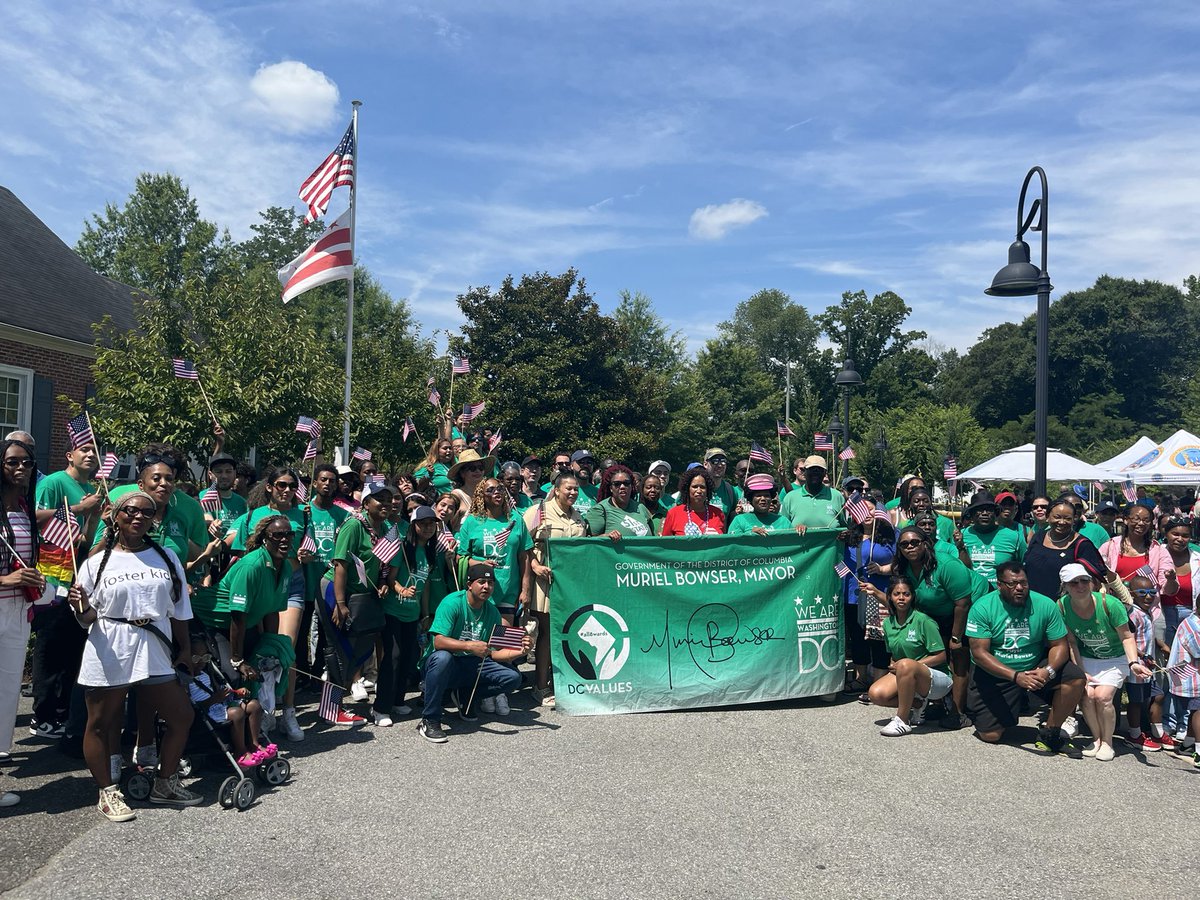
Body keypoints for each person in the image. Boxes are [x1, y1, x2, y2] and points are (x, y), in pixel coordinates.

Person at [69, 490, 201, 820]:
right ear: (116, 515)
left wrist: (184, 648)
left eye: (147, 512)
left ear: (155, 519)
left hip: (154, 646)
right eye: (130, 510)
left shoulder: (168, 557)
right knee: (100, 723)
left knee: (181, 716)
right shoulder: (96, 562)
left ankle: (164, 783)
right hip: (111, 645)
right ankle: (107, 791)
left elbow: (179, 609)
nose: (138, 517)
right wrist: (80, 608)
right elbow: (86, 619)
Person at [963, 561, 1086, 756]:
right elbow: (979, 654)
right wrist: (1016, 677)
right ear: (999, 584)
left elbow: (1060, 646)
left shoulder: (1044, 604)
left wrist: (1049, 671)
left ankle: (1051, 733)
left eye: (1024, 583)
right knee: (991, 735)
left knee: (1075, 678)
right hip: (996, 673)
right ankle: (1004, 710)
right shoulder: (983, 607)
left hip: (1033, 665)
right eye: (1012, 584)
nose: (1019, 588)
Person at [30, 438, 102, 738]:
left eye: (94, 452)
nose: (90, 455)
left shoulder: (93, 491)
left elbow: (84, 541)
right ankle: (41, 716)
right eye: (84, 450)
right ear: (69, 455)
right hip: (50, 577)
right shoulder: (55, 483)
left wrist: (97, 514)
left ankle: (61, 712)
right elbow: (33, 518)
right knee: (49, 650)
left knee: (72, 650)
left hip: (77, 579)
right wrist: (78, 507)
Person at [416, 564, 530, 743]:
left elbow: (493, 653)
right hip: (446, 663)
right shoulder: (452, 602)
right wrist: (469, 646)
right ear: (469, 584)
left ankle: (466, 695)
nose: (486, 587)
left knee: (512, 677)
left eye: (491, 583)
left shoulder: (491, 611)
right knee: (442, 658)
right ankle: (430, 720)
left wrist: (520, 650)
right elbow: (438, 642)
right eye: (481, 582)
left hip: (473, 664)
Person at [320, 482, 398, 727]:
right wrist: (340, 603)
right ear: (365, 503)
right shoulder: (354, 525)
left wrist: (384, 581)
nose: (385, 503)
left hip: (364, 597)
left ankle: (338, 704)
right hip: (336, 591)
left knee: (358, 651)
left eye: (388, 498)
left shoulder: (385, 527)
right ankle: (331, 708)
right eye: (378, 499)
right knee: (337, 651)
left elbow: (381, 563)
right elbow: (341, 564)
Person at [454, 477, 532, 714]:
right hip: (479, 593)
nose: (497, 492)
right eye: (490, 490)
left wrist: (526, 588)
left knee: (503, 643)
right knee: (482, 642)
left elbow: (525, 556)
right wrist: (480, 562)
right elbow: (460, 557)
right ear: (482, 495)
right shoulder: (472, 522)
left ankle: (500, 691)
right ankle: (485, 691)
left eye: (500, 488)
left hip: (507, 589)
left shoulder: (515, 520)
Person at [1057, 563, 1150, 761]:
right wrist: (1080, 671)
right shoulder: (1062, 606)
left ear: (1091, 582)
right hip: (1087, 657)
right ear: (1064, 586)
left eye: (1084, 581)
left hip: (1115, 657)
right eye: (1073, 583)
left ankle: (1108, 742)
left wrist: (1133, 662)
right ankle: (1096, 738)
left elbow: (1127, 637)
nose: (1080, 586)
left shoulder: (1110, 604)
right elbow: (1072, 641)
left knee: (1103, 697)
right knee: (1088, 696)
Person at [890, 526, 975, 724]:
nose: (910, 547)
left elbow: (963, 603)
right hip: (935, 613)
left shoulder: (946, 564)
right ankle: (937, 704)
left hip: (966, 609)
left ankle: (957, 712)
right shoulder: (902, 567)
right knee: (934, 655)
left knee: (957, 657)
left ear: (926, 543)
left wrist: (956, 637)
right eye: (904, 544)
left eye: (915, 542)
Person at [1, 438, 46, 808]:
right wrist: (7, 581)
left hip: (18, 613)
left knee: (7, 694)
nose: (21, 469)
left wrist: (35, 581)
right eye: (12, 462)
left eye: (27, 464)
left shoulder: (25, 511)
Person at [376, 506, 448, 726]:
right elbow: (391, 578)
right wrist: (400, 590)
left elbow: (424, 586)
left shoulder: (430, 552)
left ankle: (398, 700)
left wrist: (425, 614)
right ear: (414, 525)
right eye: (423, 523)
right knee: (393, 657)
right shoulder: (402, 549)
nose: (428, 527)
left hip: (413, 614)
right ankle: (381, 708)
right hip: (393, 611)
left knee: (408, 658)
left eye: (432, 524)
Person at [524, 471, 586, 708]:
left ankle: (558, 681)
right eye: (568, 488)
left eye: (576, 489)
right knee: (548, 633)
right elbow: (522, 544)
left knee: (563, 633)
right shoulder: (538, 512)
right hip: (544, 582)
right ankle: (540, 687)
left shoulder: (578, 517)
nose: (572, 492)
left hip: (568, 584)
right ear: (557, 489)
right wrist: (535, 565)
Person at [866, 575, 952, 736]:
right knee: (876, 695)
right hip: (905, 671)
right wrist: (895, 664)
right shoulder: (887, 623)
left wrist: (911, 665)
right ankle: (918, 704)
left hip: (937, 678)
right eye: (897, 594)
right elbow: (894, 655)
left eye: (906, 594)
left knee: (906, 664)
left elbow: (941, 656)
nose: (901, 598)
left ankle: (902, 720)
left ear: (912, 597)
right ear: (890, 597)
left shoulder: (923, 621)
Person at [184, 635, 271, 770]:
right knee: (236, 713)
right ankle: (240, 751)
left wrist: (235, 692)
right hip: (205, 713)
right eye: (196, 659)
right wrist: (215, 700)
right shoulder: (186, 682)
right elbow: (192, 707)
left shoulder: (206, 675)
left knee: (254, 705)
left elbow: (221, 692)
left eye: (205, 658)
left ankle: (254, 744)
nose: (201, 662)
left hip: (220, 705)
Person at [1156, 515, 1200, 749]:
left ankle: (1186, 723)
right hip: (1163, 615)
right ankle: (1168, 721)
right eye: (1175, 534)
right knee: (1166, 669)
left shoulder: (1197, 559)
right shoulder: (1157, 554)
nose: (1180, 539)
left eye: (1185, 535)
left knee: (1189, 671)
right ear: (1166, 534)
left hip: (1192, 617)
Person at [1024, 498, 1105, 599]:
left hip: (1065, 608)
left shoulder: (1083, 545)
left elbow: (1096, 581)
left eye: (1067, 518)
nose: (1062, 522)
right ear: (1048, 517)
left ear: (1074, 519)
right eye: (1057, 517)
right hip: (1034, 605)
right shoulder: (1038, 537)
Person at [1123, 575, 1168, 750]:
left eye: (1152, 592)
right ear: (1132, 594)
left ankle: (1158, 733)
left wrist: (1160, 645)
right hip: (1138, 666)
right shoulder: (1132, 614)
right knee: (1136, 700)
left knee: (1158, 696)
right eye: (1142, 593)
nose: (1148, 596)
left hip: (1149, 665)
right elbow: (1128, 639)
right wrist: (1142, 655)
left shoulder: (1146, 612)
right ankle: (1134, 735)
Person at [955, 491, 1025, 588]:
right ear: (971, 514)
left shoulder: (1014, 536)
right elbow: (958, 569)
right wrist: (961, 547)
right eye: (979, 510)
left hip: (1002, 596)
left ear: (996, 513)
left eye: (989, 510)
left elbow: (1023, 566)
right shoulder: (961, 536)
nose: (984, 513)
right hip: (970, 594)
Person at [1164, 602, 1200, 764]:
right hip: (1191, 678)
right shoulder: (1193, 627)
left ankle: (1188, 743)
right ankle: (1199, 751)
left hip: (1191, 678)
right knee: (1199, 711)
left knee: (1195, 711)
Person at [586, 464, 654, 538]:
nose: (622, 487)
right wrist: (605, 536)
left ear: (632, 486)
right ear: (611, 488)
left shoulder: (641, 508)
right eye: (617, 484)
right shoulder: (600, 510)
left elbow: (653, 538)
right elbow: (589, 542)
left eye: (626, 483)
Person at [780, 456, 843, 530]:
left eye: (819, 470)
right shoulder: (790, 498)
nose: (815, 472)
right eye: (811, 469)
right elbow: (782, 529)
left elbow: (846, 528)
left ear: (825, 473)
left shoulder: (836, 496)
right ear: (804, 472)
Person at [661, 468, 726, 536]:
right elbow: (666, 544)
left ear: (708, 490)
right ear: (687, 489)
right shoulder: (673, 514)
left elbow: (723, 543)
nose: (699, 491)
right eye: (695, 487)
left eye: (702, 487)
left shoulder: (718, 514)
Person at [446, 449, 492, 529]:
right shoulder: (457, 494)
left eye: (480, 468)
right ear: (462, 473)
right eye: (472, 468)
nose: (477, 471)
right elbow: (449, 525)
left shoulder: (487, 494)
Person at [700, 448, 742, 517]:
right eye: (715, 461)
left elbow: (731, 518)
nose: (719, 465)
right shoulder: (696, 487)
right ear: (705, 464)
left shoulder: (730, 491)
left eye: (723, 461)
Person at [569, 450, 600, 515]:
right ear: (571, 466)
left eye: (589, 462)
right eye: (581, 462)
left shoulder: (598, 493)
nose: (585, 465)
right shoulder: (563, 489)